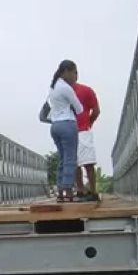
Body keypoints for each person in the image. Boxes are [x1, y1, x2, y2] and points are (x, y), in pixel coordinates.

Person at [47, 60, 83, 202]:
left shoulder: (53, 86)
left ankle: (60, 191)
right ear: (66, 71)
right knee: (70, 159)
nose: (76, 77)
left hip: (55, 126)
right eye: (74, 73)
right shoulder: (66, 88)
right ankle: (68, 190)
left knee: (62, 159)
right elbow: (79, 108)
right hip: (67, 124)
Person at [72, 71, 101, 201]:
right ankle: (81, 190)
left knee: (87, 162)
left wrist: (88, 122)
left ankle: (92, 191)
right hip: (71, 131)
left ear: (76, 74)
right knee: (74, 163)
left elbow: (96, 110)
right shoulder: (61, 92)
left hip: (83, 130)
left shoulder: (86, 90)